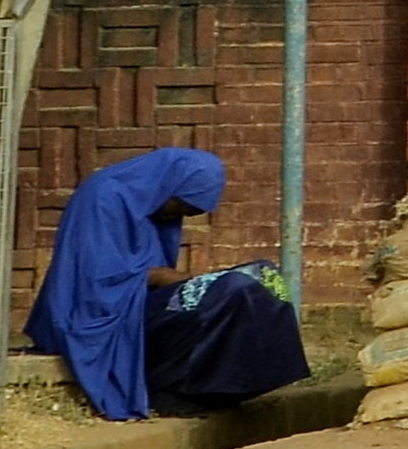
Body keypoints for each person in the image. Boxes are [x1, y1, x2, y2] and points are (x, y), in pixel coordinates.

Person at [21, 147, 311, 423]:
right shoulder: (104, 197)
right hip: (103, 312)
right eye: (179, 207)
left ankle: (235, 384)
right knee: (233, 289)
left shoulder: (153, 206)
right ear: (167, 184)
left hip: (141, 301)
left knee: (262, 276)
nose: (176, 217)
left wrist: (176, 281)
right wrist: (160, 276)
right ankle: (173, 389)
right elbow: (91, 280)